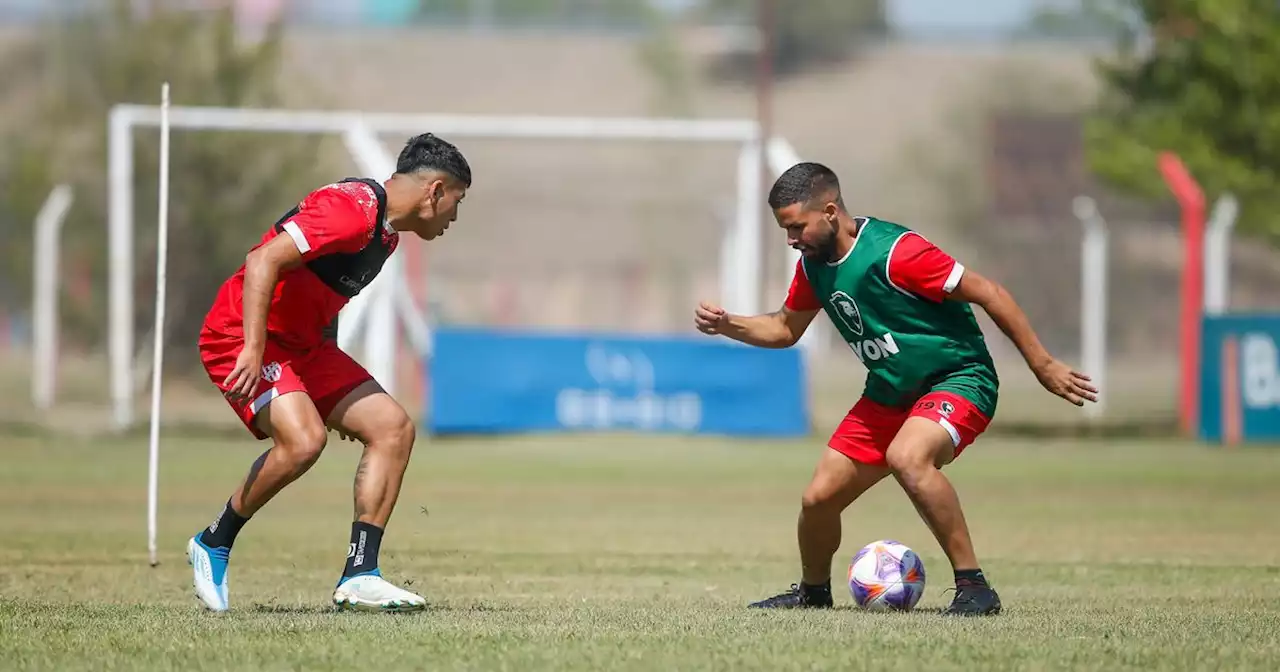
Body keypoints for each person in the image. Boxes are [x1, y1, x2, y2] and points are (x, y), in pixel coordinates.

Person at [693, 162, 1096, 616]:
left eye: (796, 227)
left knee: (907, 456)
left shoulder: (896, 252)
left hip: (959, 378)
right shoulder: (814, 267)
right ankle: (813, 594)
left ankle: (975, 588)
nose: (791, 239)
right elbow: (786, 329)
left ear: (829, 211)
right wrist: (729, 325)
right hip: (888, 393)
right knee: (818, 499)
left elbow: (990, 292)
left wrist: (1040, 363)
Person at [187, 133, 472, 613]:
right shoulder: (351, 209)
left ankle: (359, 575)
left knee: (393, 429)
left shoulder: (385, 236)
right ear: (436, 191)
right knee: (303, 442)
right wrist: (254, 348)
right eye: (456, 204)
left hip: (305, 347)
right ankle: (213, 542)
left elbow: (326, 297)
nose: (454, 219)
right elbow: (262, 262)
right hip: (240, 335)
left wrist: (332, 393)